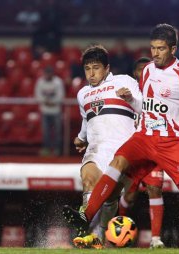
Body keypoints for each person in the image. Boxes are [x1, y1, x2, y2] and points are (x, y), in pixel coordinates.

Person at [63, 23, 179, 250]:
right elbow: (143, 106)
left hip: (172, 141)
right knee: (117, 162)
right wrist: (131, 101)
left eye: (160, 49)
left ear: (173, 49)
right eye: (152, 48)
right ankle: (87, 216)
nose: (155, 53)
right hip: (145, 136)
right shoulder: (148, 70)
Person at [71, 44, 142, 249]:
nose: (91, 74)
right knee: (88, 181)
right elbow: (87, 120)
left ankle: (100, 236)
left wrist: (130, 98)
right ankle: (84, 230)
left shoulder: (124, 81)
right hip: (96, 149)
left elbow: (142, 107)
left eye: (96, 68)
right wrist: (80, 138)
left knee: (110, 197)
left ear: (107, 68)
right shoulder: (83, 94)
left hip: (122, 151)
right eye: (87, 69)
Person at [118, 57, 165, 248]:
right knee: (129, 196)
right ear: (135, 74)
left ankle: (155, 239)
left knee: (155, 188)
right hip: (135, 151)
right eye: (139, 70)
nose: (142, 73)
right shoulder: (127, 92)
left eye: (146, 69)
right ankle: (119, 228)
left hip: (153, 150)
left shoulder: (160, 92)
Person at [34, 65, 65, 156]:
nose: (47, 75)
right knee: (45, 132)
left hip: (56, 111)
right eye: (46, 74)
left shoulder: (58, 82)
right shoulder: (40, 82)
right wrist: (45, 102)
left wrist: (52, 102)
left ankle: (57, 149)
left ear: (52, 74)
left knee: (57, 131)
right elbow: (37, 95)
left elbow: (61, 96)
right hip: (45, 110)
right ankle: (46, 149)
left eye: (49, 74)